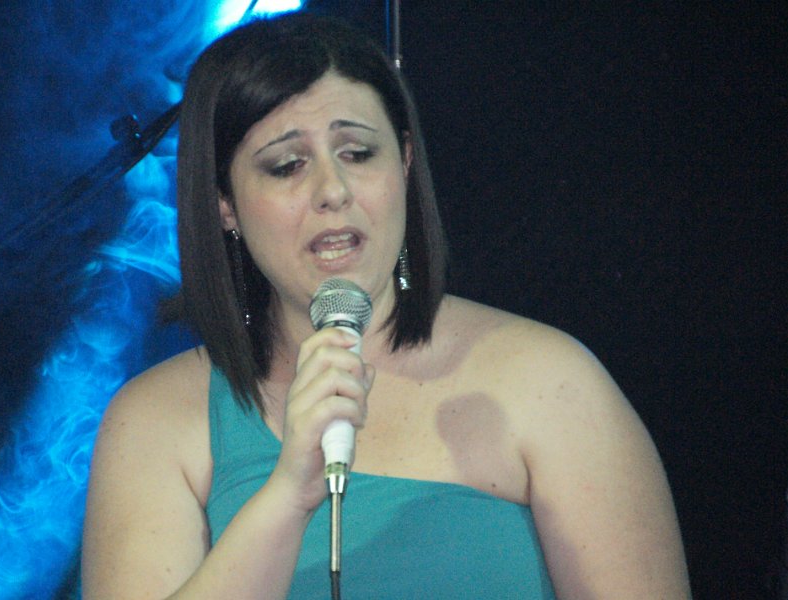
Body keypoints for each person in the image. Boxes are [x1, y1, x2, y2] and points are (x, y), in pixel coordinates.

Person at [81, 12, 691, 599]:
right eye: (287, 166)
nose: (332, 191)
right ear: (225, 204)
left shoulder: (551, 380)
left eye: (357, 153)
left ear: (403, 162)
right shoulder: (156, 420)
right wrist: (289, 493)